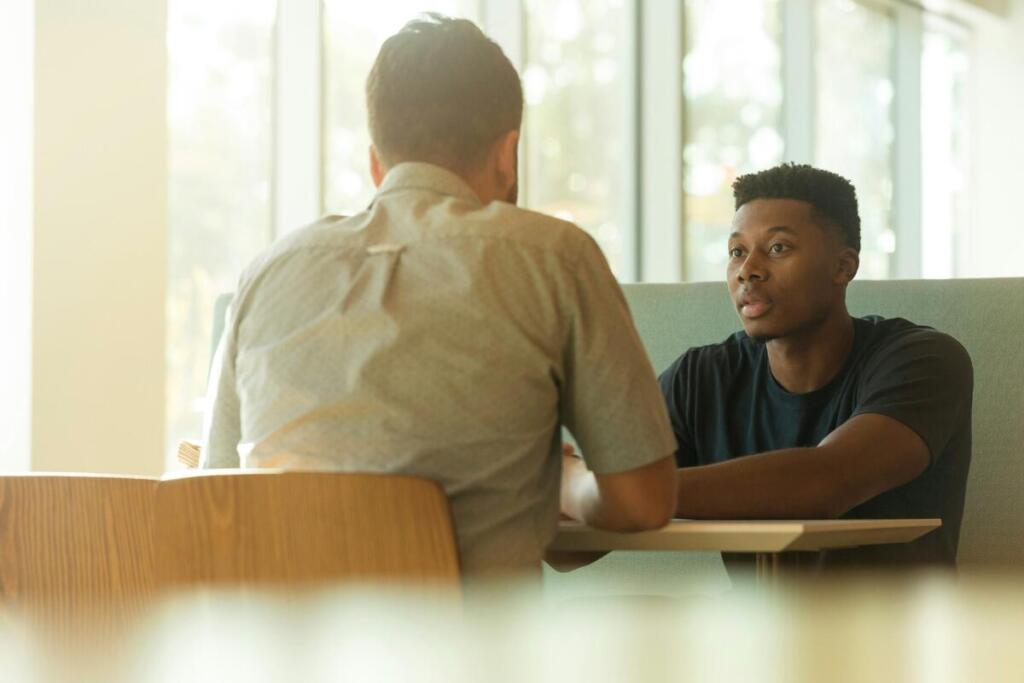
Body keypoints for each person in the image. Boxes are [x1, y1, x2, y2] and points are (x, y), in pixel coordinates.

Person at [201, 14, 677, 577]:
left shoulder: (267, 273)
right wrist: (565, 482)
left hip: (282, 657)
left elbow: (214, 496)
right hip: (471, 656)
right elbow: (643, 502)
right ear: (508, 154)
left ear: (377, 162)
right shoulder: (555, 257)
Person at [656, 163, 972, 570]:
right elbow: (570, 550)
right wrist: (574, 488)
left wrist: (623, 493)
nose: (747, 270)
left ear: (843, 267)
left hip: (898, 631)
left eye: (777, 248)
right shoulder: (700, 378)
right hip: (756, 631)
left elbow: (824, 483)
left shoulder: (924, 361)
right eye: (737, 251)